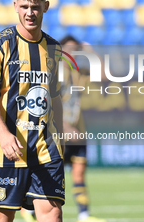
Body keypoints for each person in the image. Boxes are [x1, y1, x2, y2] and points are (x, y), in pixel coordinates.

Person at [0, 0, 65, 222]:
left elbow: (55, 97)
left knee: (52, 214)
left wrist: (60, 137)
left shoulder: (54, 48)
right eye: (25, 7)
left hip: (46, 148)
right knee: (2, 218)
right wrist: (4, 135)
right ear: (15, 5)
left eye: (35, 7)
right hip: (8, 149)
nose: (30, 13)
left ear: (46, 6)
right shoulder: (1, 43)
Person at [60, 36, 106, 222]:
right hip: (58, 134)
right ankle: (29, 209)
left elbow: (105, 76)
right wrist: (65, 127)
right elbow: (45, 105)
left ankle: (84, 214)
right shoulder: (53, 71)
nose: (72, 53)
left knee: (79, 173)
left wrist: (91, 52)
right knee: (49, 174)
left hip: (78, 133)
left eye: (75, 49)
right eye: (69, 49)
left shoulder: (78, 73)